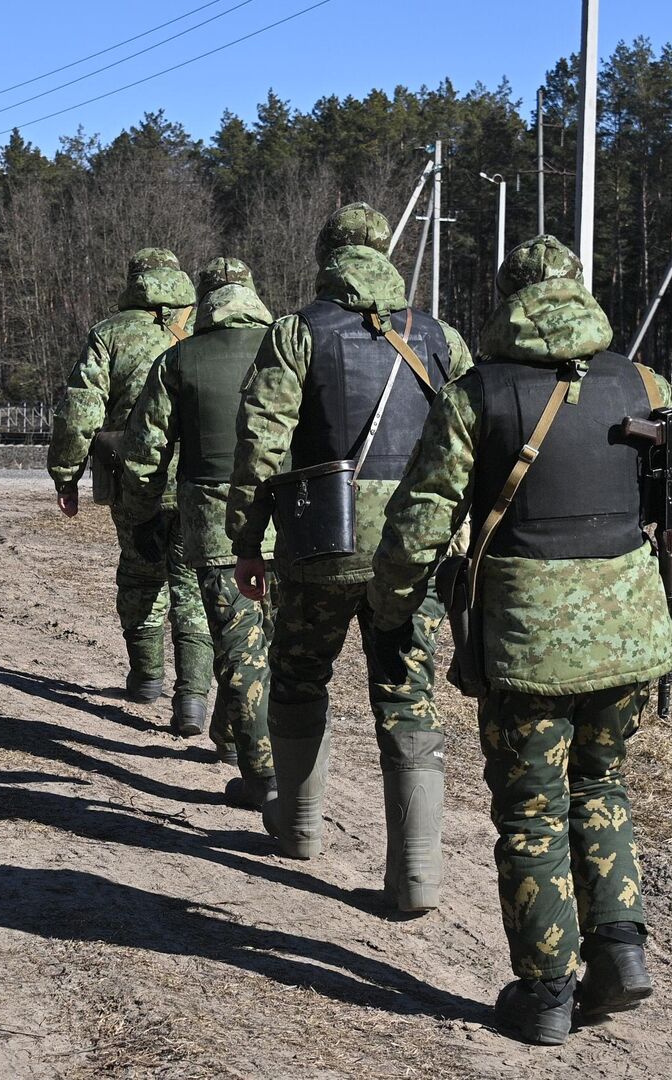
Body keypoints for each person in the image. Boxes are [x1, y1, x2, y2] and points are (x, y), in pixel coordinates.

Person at [366, 235, 672, 1044]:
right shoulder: (644, 383)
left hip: (529, 644)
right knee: (602, 789)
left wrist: (393, 608)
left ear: (509, 298)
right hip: (633, 636)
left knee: (532, 815)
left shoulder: (479, 394)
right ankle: (622, 953)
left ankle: (544, 997)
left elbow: (421, 524)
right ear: (579, 292)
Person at [226, 203, 472, 914]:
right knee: (406, 692)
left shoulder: (298, 332)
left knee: (300, 674)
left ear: (327, 257)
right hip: (414, 550)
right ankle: (417, 877)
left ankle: (300, 827)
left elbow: (261, 444)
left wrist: (250, 541)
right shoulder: (438, 337)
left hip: (320, 546)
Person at [118, 257, 278, 813]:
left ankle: (262, 773)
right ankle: (240, 742)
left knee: (237, 646)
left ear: (202, 300)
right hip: (298, 517)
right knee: (281, 644)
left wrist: (141, 518)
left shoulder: (179, 358)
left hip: (214, 519)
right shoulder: (290, 347)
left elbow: (144, 456)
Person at [48, 249, 212, 731]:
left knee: (141, 575)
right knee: (192, 586)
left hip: (132, 478)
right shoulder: (207, 327)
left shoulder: (111, 333)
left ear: (135, 281)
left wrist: (65, 473)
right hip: (199, 478)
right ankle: (193, 700)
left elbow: (81, 410)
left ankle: (144, 679)